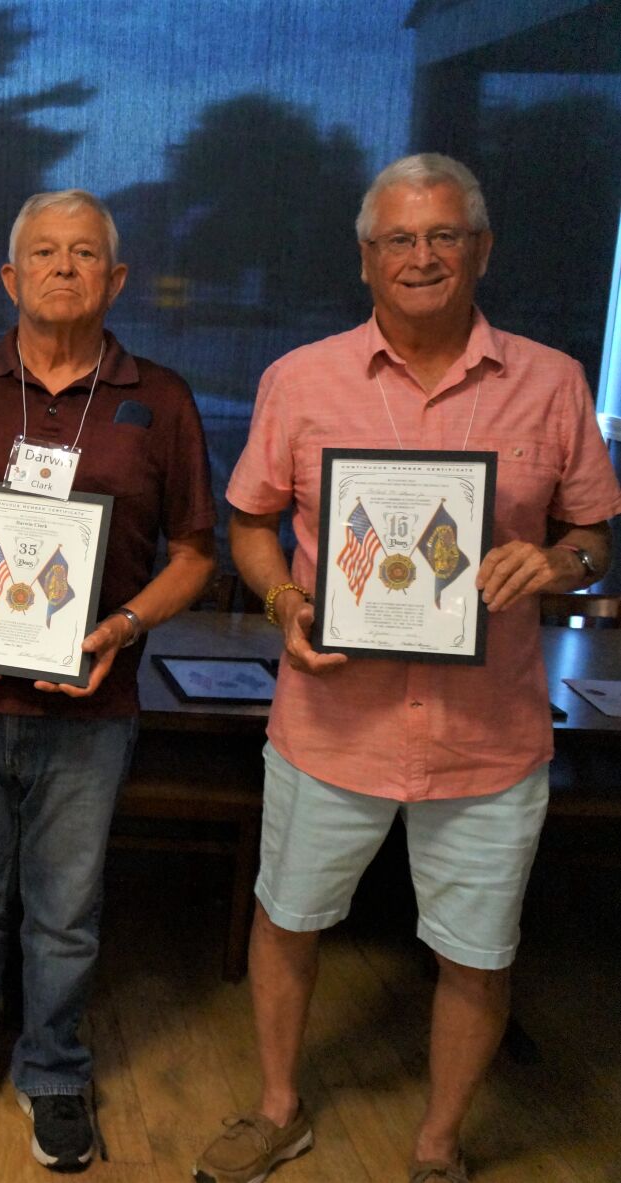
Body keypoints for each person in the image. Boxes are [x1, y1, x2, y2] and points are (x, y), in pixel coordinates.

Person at [194, 153, 620, 1183]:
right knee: (287, 919)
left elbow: (593, 537)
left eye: (442, 236)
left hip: (487, 736)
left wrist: (556, 563)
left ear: (481, 249)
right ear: (364, 258)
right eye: (398, 238)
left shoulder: (554, 381)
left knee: (477, 950)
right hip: (331, 723)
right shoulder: (299, 379)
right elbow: (248, 522)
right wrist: (284, 601)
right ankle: (278, 1108)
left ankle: (436, 1148)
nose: (419, 256)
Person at [0, 189, 217, 1170]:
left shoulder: (161, 399)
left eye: (84, 254)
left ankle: (55, 1069)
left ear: (116, 278)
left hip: (91, 705)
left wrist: (122, 626)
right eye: (43, 252)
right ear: (9, 276)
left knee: (66, 912)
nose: (63, 268)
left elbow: (195, 553)